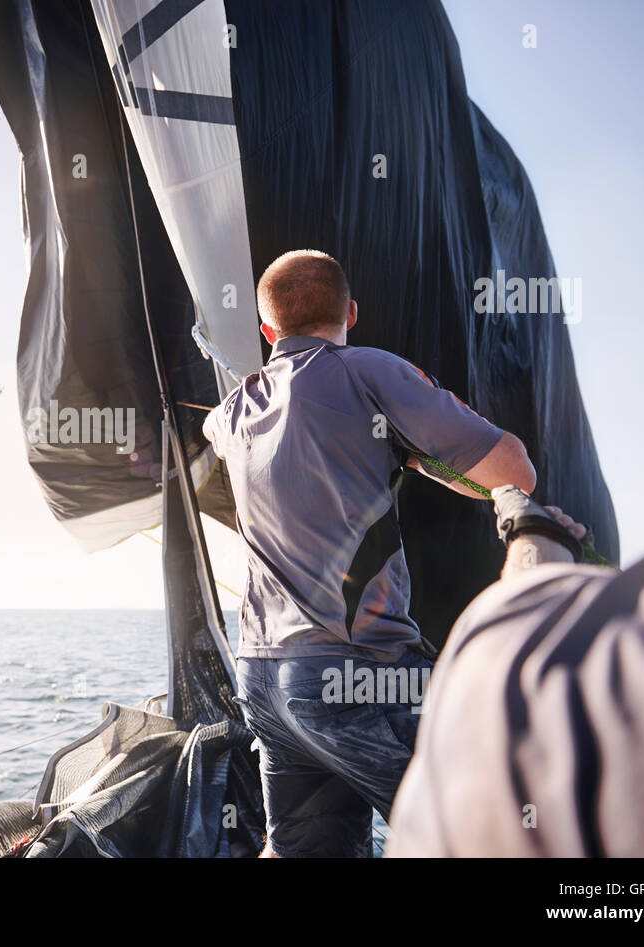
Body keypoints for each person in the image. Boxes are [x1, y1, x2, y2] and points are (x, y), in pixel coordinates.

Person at [387, 170, 644, 857]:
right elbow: (513, 473)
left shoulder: (524, 681)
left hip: (270, 675)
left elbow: (528, 623)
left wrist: (528, 529)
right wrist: (516, 502)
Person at [203, 249, 537, 857]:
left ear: (266, 331)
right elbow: (514, 472)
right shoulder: (371, 372)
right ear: (351, 312)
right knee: (495, 834)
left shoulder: (232, 412)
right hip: (358, 676)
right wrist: (414, 446)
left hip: (265, 680)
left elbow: (220, 433)